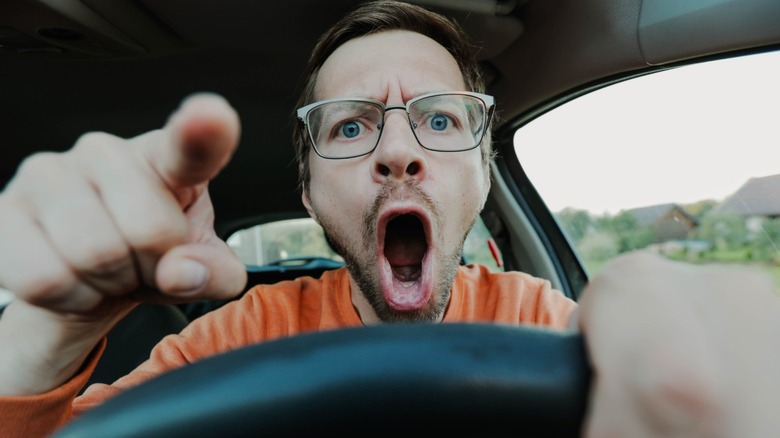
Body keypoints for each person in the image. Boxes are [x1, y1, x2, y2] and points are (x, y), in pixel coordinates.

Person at [1, 1, 779, 437]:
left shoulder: (548, 325)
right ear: (308, 196)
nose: (400, 151)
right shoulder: (233, 338)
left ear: (481, 172)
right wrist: (48, 327)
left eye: (441, 121)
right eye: (349, 126)